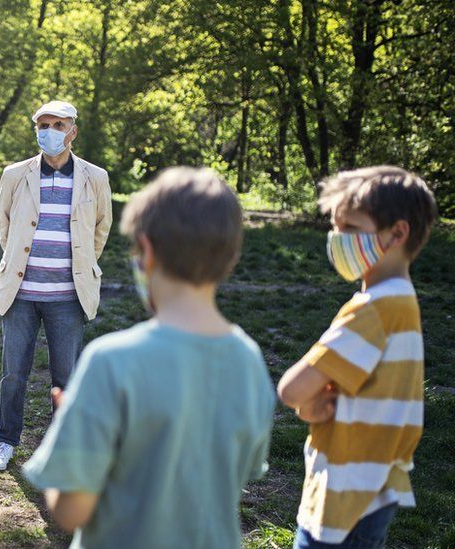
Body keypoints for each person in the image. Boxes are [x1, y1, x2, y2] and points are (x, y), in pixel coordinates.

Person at [23, 167, 276, 548]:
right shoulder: (249, 358)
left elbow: (70, 510)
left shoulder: (110, 361)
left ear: (149, 251)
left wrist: (72, 429)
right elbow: (245, 467)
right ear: (231, 256)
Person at [277, 166, 438, 548]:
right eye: (335, 228)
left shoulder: (373, 309)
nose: (337, 239)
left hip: (345, 494)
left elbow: (292, 389)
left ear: (397, 233)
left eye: (349, 228)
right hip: (376, 483)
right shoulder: (403, 301)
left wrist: (307, 405)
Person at [0, 100, 112, 471]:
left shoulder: (95, 177)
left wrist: (82, 265)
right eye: (43, 124)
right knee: (13, 373)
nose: (50, 131)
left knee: (66, 376)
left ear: (73, 130)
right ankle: (5, 441)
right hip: (21, 295)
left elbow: (100, 229)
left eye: (58, 124)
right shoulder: (15, 174)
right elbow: (4, 226)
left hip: (67, 296)